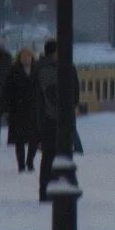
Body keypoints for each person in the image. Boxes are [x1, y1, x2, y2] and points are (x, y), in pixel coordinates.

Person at [33, 39, 77, 199]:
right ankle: (63, 185)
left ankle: (46, 190)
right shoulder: (63, 69)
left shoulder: (39, 68)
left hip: (47, 119)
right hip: (57, 118)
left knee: (49, 156)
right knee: (62, 154)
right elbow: (74, 96)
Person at [2, 47, 38, 172]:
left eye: (28, 56)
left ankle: (30, 161)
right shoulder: (13, 71)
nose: (26, 58)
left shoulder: (36, 70)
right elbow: (8, 91)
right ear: (19, 58)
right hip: (18, 110)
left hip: (33, 109)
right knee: (19, 140)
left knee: (34, 138)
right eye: (23, 56)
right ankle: (21, 164)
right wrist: (7, 108)